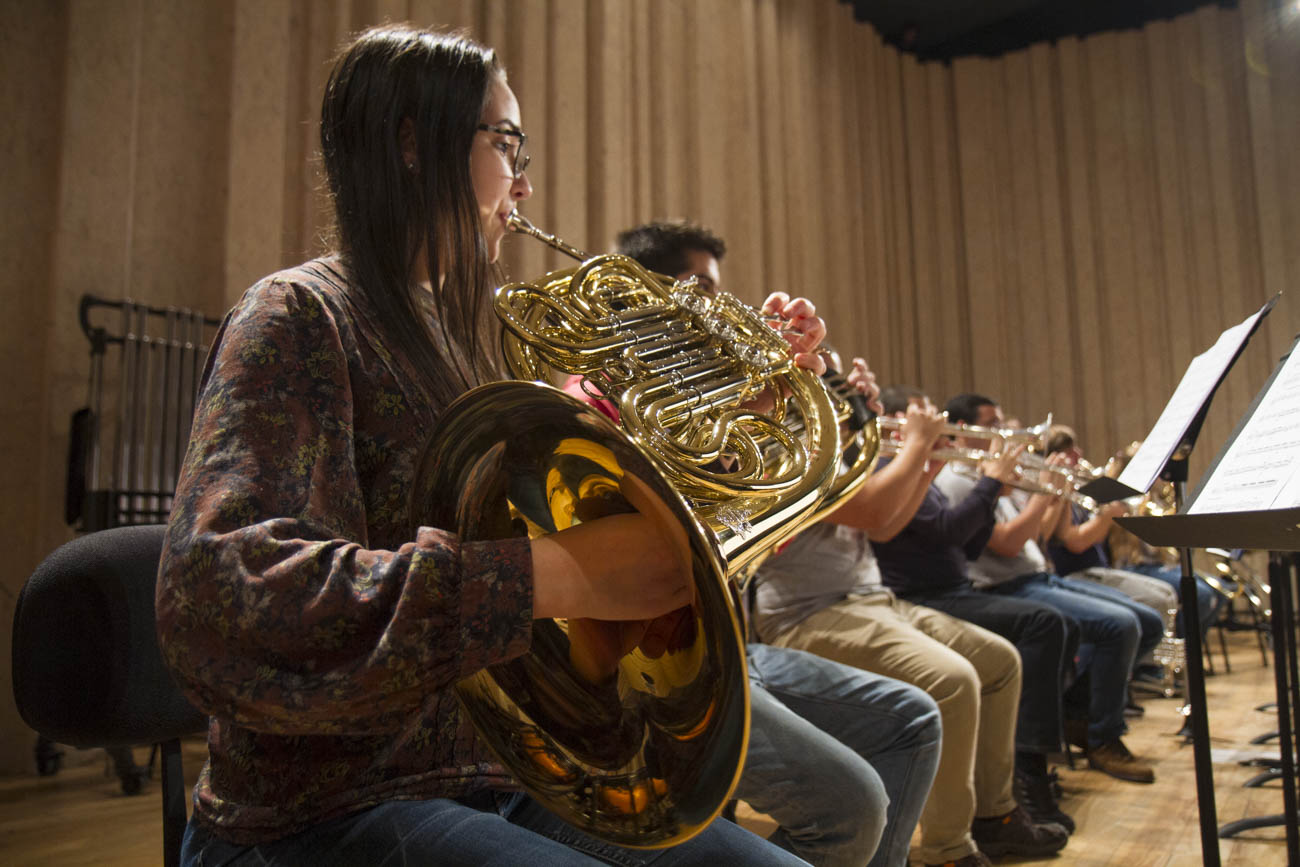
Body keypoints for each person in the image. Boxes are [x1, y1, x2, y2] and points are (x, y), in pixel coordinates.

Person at [156, 26, 819, 867]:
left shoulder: (484, 340)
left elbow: (636, 523)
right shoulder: (296, 315)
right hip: (322, 806)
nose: (525, 183)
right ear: (410, 144)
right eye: (507, 144)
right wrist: (554, 573)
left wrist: (744, 407)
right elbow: (217, 597)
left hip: (498, 770)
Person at [612, 220, 943, 867]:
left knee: (914, 720)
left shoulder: (713, 401)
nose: (722, 305)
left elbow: (779, 520)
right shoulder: (614, 391)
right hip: (653, 663)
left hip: (732, 646)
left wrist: (807, 405)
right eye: (701, 287)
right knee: (851, 805)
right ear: (652, 290)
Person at [737, 370, 1072, 863]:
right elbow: (873, 512)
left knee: (1000, 661)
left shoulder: (834, 449)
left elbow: (889, 526)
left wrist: (928, 465)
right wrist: (917, 446)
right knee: (954, 679)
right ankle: (947, 848)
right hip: (809, 616)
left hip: (872, 600)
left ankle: (995, 816)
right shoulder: (782, 450)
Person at [934, 394, 1161, 785]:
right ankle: (1102, 737)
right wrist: (1043, 492)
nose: (1005, 433)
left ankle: (1078, 714)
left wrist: (1051, 492)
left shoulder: (992, 478)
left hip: (1036, 578)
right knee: (1121, 626)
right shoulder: (957, 480)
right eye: (992, 424)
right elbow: (1006, 543)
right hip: (1003, 588)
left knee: (1148, 621)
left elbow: (1035, 538)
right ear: (961, 433)